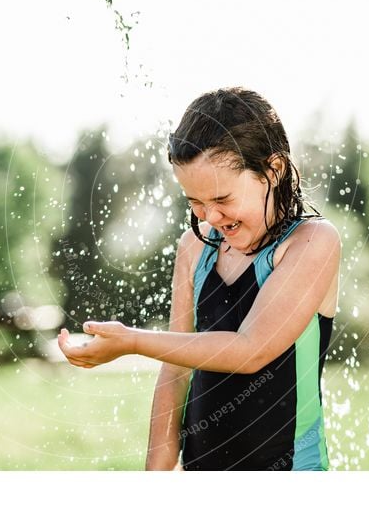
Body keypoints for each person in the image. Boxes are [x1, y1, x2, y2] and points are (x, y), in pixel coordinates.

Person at [58, 87, 341, 471]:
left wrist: (134, 342)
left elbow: (250, 350)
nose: (209, 217)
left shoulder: (311, 243)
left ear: (272, 172)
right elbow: (176, 372)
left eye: (223, 200)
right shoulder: (195, 248)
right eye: (195, 202)